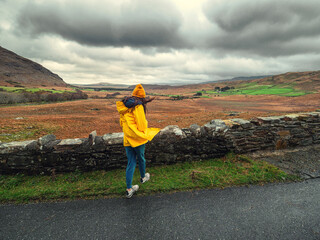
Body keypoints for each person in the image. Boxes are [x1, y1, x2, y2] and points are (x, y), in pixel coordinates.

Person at [116, 84, 160, 198]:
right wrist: (144, 128)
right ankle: (143, 177)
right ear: (142, 97)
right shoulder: (138, 106)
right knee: (141, 158)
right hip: (137, 137)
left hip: (127, 138)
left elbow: (122, 122)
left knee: (131, 162)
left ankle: (129, 188)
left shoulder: (124, 105)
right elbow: (141, 125)